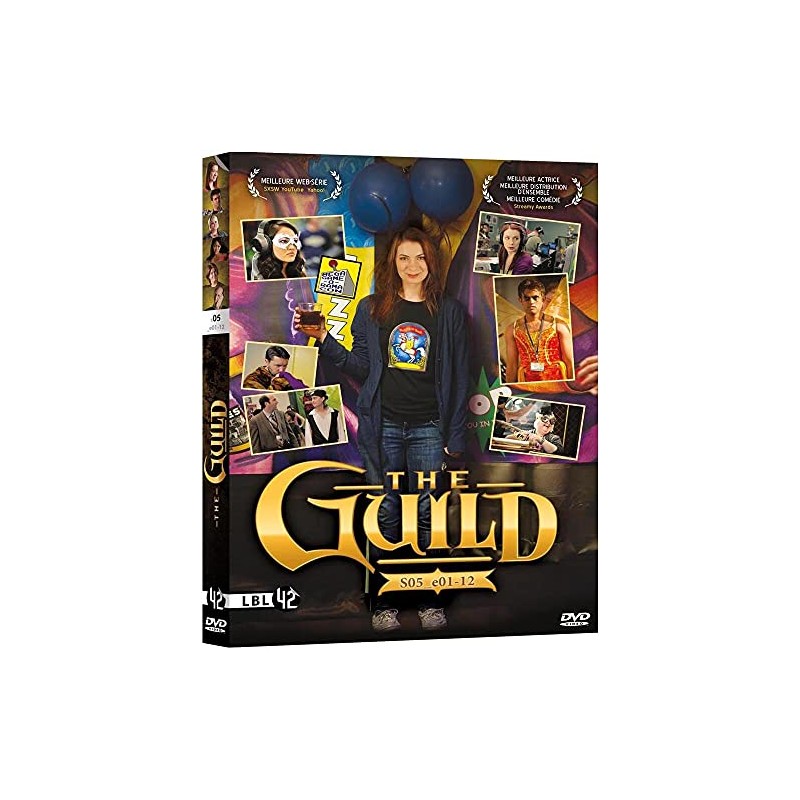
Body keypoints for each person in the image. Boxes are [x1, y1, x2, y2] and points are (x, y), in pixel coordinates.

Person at [295, 225, 469, 634]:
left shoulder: (449, 312)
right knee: (385, 510)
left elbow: (460, 376)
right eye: (404, 257)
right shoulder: (371, 308)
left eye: (420, 257)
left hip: (430, 428)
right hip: (383, 425)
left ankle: (429, 598)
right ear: (393, 262)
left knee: (428, 512)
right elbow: (360, 367)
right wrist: (323, 337)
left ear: (432, 262)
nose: (412, 266)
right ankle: (384, 601)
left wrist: (455, 436)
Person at [504, 278, 574, 383]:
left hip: (557, 381)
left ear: (543, 299)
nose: (531, 302)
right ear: (520, 300)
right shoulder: (512, 329)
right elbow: (512, 366)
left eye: (535, 298)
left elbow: (570, 363)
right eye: (526, 298)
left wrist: (570, 389)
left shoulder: (559, 326)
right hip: (528, 383)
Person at [243, 345, 307, 391]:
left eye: (285, 365)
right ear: (267, 362)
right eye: (278, 365)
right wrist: (276, 383)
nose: (281, 370)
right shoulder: (251, 381)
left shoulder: (285, 376)